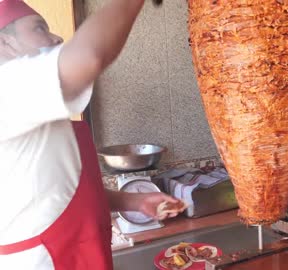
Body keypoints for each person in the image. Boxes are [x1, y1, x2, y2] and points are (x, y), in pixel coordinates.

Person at [0, 0, 181, 269]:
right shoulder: (6, 87)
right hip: (45, 260)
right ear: (4, 42)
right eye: (39, 28)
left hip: (77, 250)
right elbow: (88, 56)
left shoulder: (32, 108)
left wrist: (133, 200)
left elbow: (58, 190)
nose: (56, 37)